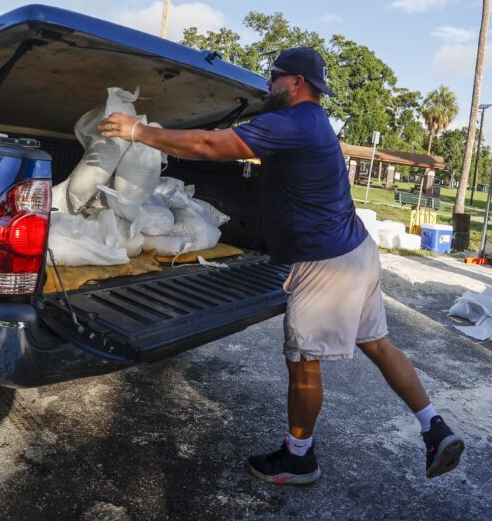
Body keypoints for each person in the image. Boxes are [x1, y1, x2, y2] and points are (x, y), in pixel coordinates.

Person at [98, 46, 464, 484]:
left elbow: (209, 144)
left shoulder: (291, 122)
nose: (269, 85)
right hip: (357, 252)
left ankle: (300, 457)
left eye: (274, 78)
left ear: (295, 83)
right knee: (379, 345)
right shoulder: (315, 122)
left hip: (326, 262)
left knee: (303, 361)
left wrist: (138, 131)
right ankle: (433, 426)